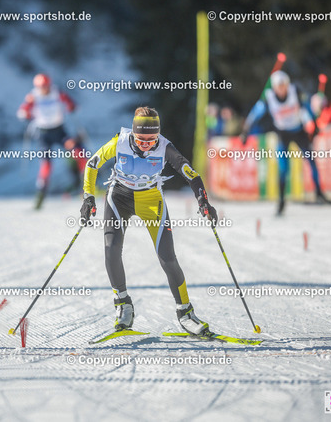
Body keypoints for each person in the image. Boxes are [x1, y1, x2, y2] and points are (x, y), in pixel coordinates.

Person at [80, 107, 218, 335]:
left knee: (168, 258)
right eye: (141, 140)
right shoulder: (119, 142)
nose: (146, 145)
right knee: (111, 249)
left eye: (151, 140)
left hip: (151, 200)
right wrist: (88, 198)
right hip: (119, 198)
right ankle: (123, 304)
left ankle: (185, 313)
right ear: (133, 134)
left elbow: (190, 173)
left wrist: (203, 200)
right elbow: (92, 164)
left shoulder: (165, 147)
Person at [240, 70, 325, 215]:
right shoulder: (268, 97)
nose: (282, 89)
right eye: (279, 86)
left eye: (284, 85)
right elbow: (255, 114)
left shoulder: (294, 91)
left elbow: (305, 108)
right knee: (283, 168)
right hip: (282, 134)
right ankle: (281, 201)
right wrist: (245, 131)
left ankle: (319, 193)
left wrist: (313, 124)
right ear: (274, 87)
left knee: (311, 160)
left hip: (298, 131)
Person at [17, 73, 85, 209]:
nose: (44, 89)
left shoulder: (57, 93)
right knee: (46, 165)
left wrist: (71, 107)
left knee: (78, 152)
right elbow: (22, 111)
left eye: (46, 86)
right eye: (41, 87)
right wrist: (26, 114)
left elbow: (72, 104)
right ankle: (40, 195)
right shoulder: (33, 97)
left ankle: (83, 183)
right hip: (44, 134)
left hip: (59, 131)